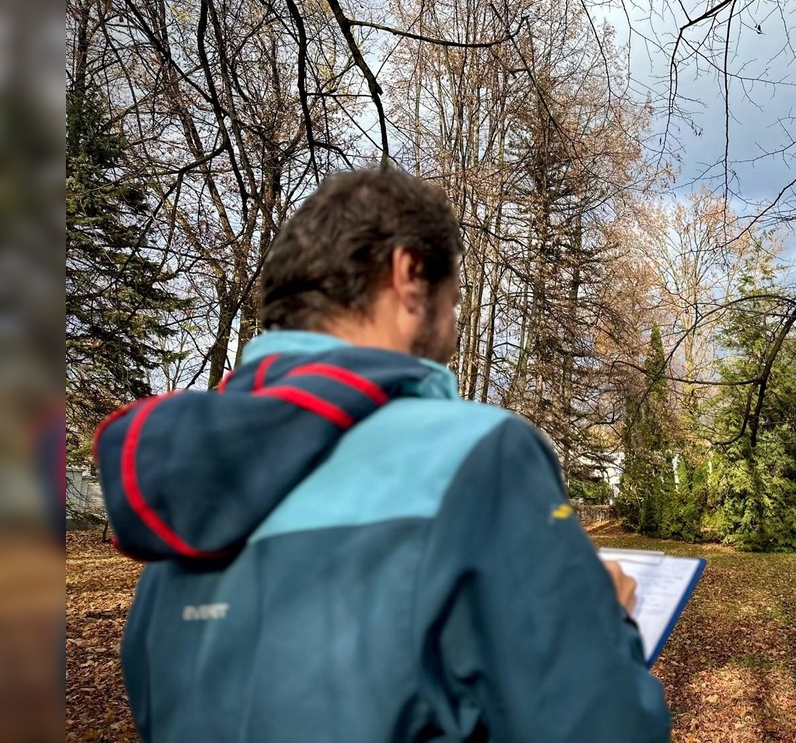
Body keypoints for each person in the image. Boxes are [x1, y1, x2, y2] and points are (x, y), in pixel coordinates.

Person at [95, 169, 671, 742]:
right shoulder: (482, 458)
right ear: (409, 274)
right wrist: (609, 625)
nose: (452, 324)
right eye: (453, 298)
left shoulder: (180, 488)